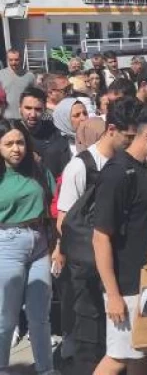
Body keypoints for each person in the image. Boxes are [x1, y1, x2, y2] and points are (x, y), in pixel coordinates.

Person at [92, 102, 147, 375]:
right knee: (118, 357)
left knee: (140, 356)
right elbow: (100, 237)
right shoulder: (118, 172)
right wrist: (114, 295)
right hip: (126, 285)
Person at [56, 98, 139, 373]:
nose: (131, 142)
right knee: (90, 342)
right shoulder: (81, 166)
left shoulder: (127, 161)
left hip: (118, 268)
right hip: (88, 273)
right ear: (112, 129)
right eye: (128, 136)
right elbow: (64, 221)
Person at [0, 119, 56, 375]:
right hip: (7, 245)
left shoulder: (37, 169)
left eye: (20, 142)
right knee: (6, 318)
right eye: (8, 143)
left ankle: (46, 369)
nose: (15, 149)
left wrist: (56, 245)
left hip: (40, 243)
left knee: (39, 315)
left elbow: (53, 206)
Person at [0, 49, 35, 120]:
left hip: (24, 117)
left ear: (21, 59)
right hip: (5, 117)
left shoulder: (29, 76)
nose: (13, 62)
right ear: (7, 59)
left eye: (16, 60)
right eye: (11, 60)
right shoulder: (1, 74)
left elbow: (34, 96)